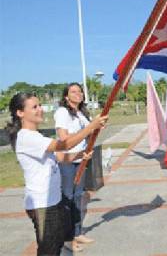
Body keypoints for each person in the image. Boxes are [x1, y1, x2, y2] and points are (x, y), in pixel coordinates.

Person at [4, 93, 107, 256]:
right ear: (20, 113)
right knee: (48, 250)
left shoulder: (37, 136)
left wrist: (79, 155)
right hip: (42, 205)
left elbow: (59, 157)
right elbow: (63, 145)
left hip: (54, 201)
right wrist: (90, 127)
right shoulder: (26, 137)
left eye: (40, 105)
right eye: (34, 107)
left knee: (56, 244)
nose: (41, 109)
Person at [54, 83, 94, 252]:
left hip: (82, 159)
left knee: (78, 197)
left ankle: (77, 232)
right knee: (68, 198)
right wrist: (87, 131)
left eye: (80, 91)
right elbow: (63, 138)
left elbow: (89, 133)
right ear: (66, 96)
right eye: (73, 91)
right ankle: (66, 238)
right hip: (68, 160)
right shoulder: (62, 112)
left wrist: (95, 127)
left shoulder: (81, 113)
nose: (78, 94)